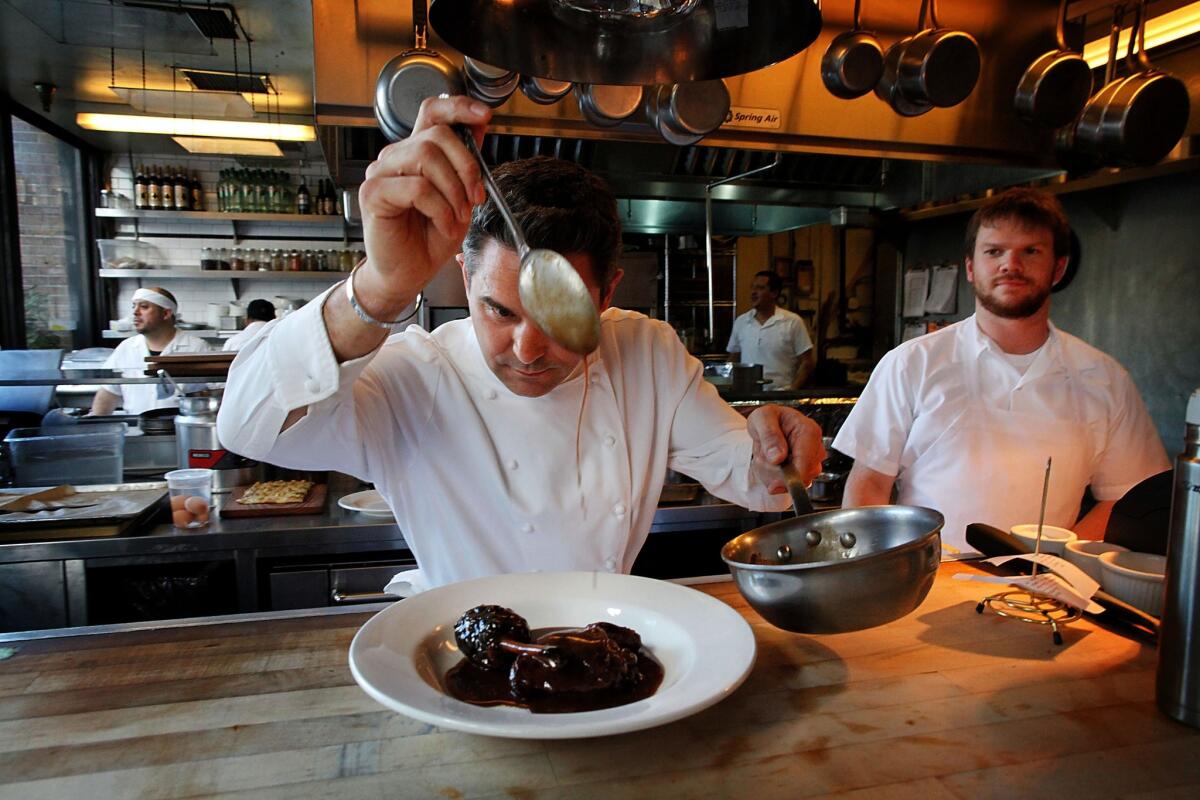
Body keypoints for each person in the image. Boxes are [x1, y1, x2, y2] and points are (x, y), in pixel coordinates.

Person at [217, 95, 824, 591]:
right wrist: (380, 288)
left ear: (608, 290)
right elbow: (247, 426)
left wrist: (777, 448)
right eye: (498, 310)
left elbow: (750, 476)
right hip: (461, 653)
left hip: (603, 640)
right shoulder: (416, 373)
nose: (528, 349)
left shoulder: (646, 352)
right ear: (463, 275)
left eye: (563, 317)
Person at [833, 188, 1169, 557]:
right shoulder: (912, 362)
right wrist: (880, 571)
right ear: (971, 268)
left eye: (1030, 251)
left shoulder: (1105, 378)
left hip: (1044, 593)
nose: (1011, 264)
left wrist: (1058, 562)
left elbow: (1125, 500)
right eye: (995, 251)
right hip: (925, 583)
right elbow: (869, 485)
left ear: (1058, 268)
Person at [90, 287, 212, 415]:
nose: (135, 312)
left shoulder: (197, 348)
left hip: (181, 428)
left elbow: (217, 391)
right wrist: (96, 424)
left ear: (166, 314)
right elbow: (108, 392)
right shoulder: (126, 347)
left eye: (144, 307)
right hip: (136, 427)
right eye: (134, 306)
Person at [726, 270, 815, 390]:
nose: (753, 292)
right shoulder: (741, 322)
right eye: (752, 287)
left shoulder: (792, 321)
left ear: (774, 293)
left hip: (780, 394)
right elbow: (734, 358)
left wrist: (792, 391)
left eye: (760, 288)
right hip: (747, 394)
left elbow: (807, 362)